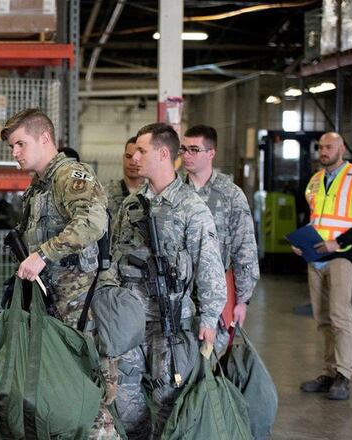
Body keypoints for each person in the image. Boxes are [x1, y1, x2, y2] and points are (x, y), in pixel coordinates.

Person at [2, 108, 120, 439]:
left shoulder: (70, 177)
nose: (15, 153)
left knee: (88, 390)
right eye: (12, 146)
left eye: (20, 144)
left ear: (44, 138)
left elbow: (93, 222)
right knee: (59, 388)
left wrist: (44, 253)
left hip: (78, 307)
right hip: (50, 303)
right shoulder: (39, 186)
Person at [111, 123, 226, 439]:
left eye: (142, 151)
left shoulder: (192, 208)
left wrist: (210, 319)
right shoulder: (131, 204)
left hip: (172, 322)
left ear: (163, 154)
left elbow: (210, 267)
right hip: (131, 322)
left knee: (169, 400)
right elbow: (115, 258)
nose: (134, 156)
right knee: (124, 397)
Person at [181, 125, 259, 354]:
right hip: (179, 290)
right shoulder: (175, 192)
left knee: (211, 357)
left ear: (211, 153)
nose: (186, 155)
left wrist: (243, 300)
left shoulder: (230, 194)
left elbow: (244, 248)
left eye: (194, 149)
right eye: (183, 149)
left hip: (217, 290)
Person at [294, 131, 352, 401]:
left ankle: (343, 374)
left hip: (343, 254)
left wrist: (338, 242)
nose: (324, 151)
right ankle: (329, 372)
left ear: (341, 148)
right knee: (322, 319)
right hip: (315, 256)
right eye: (321, 147)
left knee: (340, 316)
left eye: (329, 146)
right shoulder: (316, 181)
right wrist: (301, 242)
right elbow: (315, 219)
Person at [105, 136, 143, 220]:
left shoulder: (152, 196)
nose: (133, 162)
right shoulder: (105, 194)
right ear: (123, 157)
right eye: (128, 157)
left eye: (138, 158)